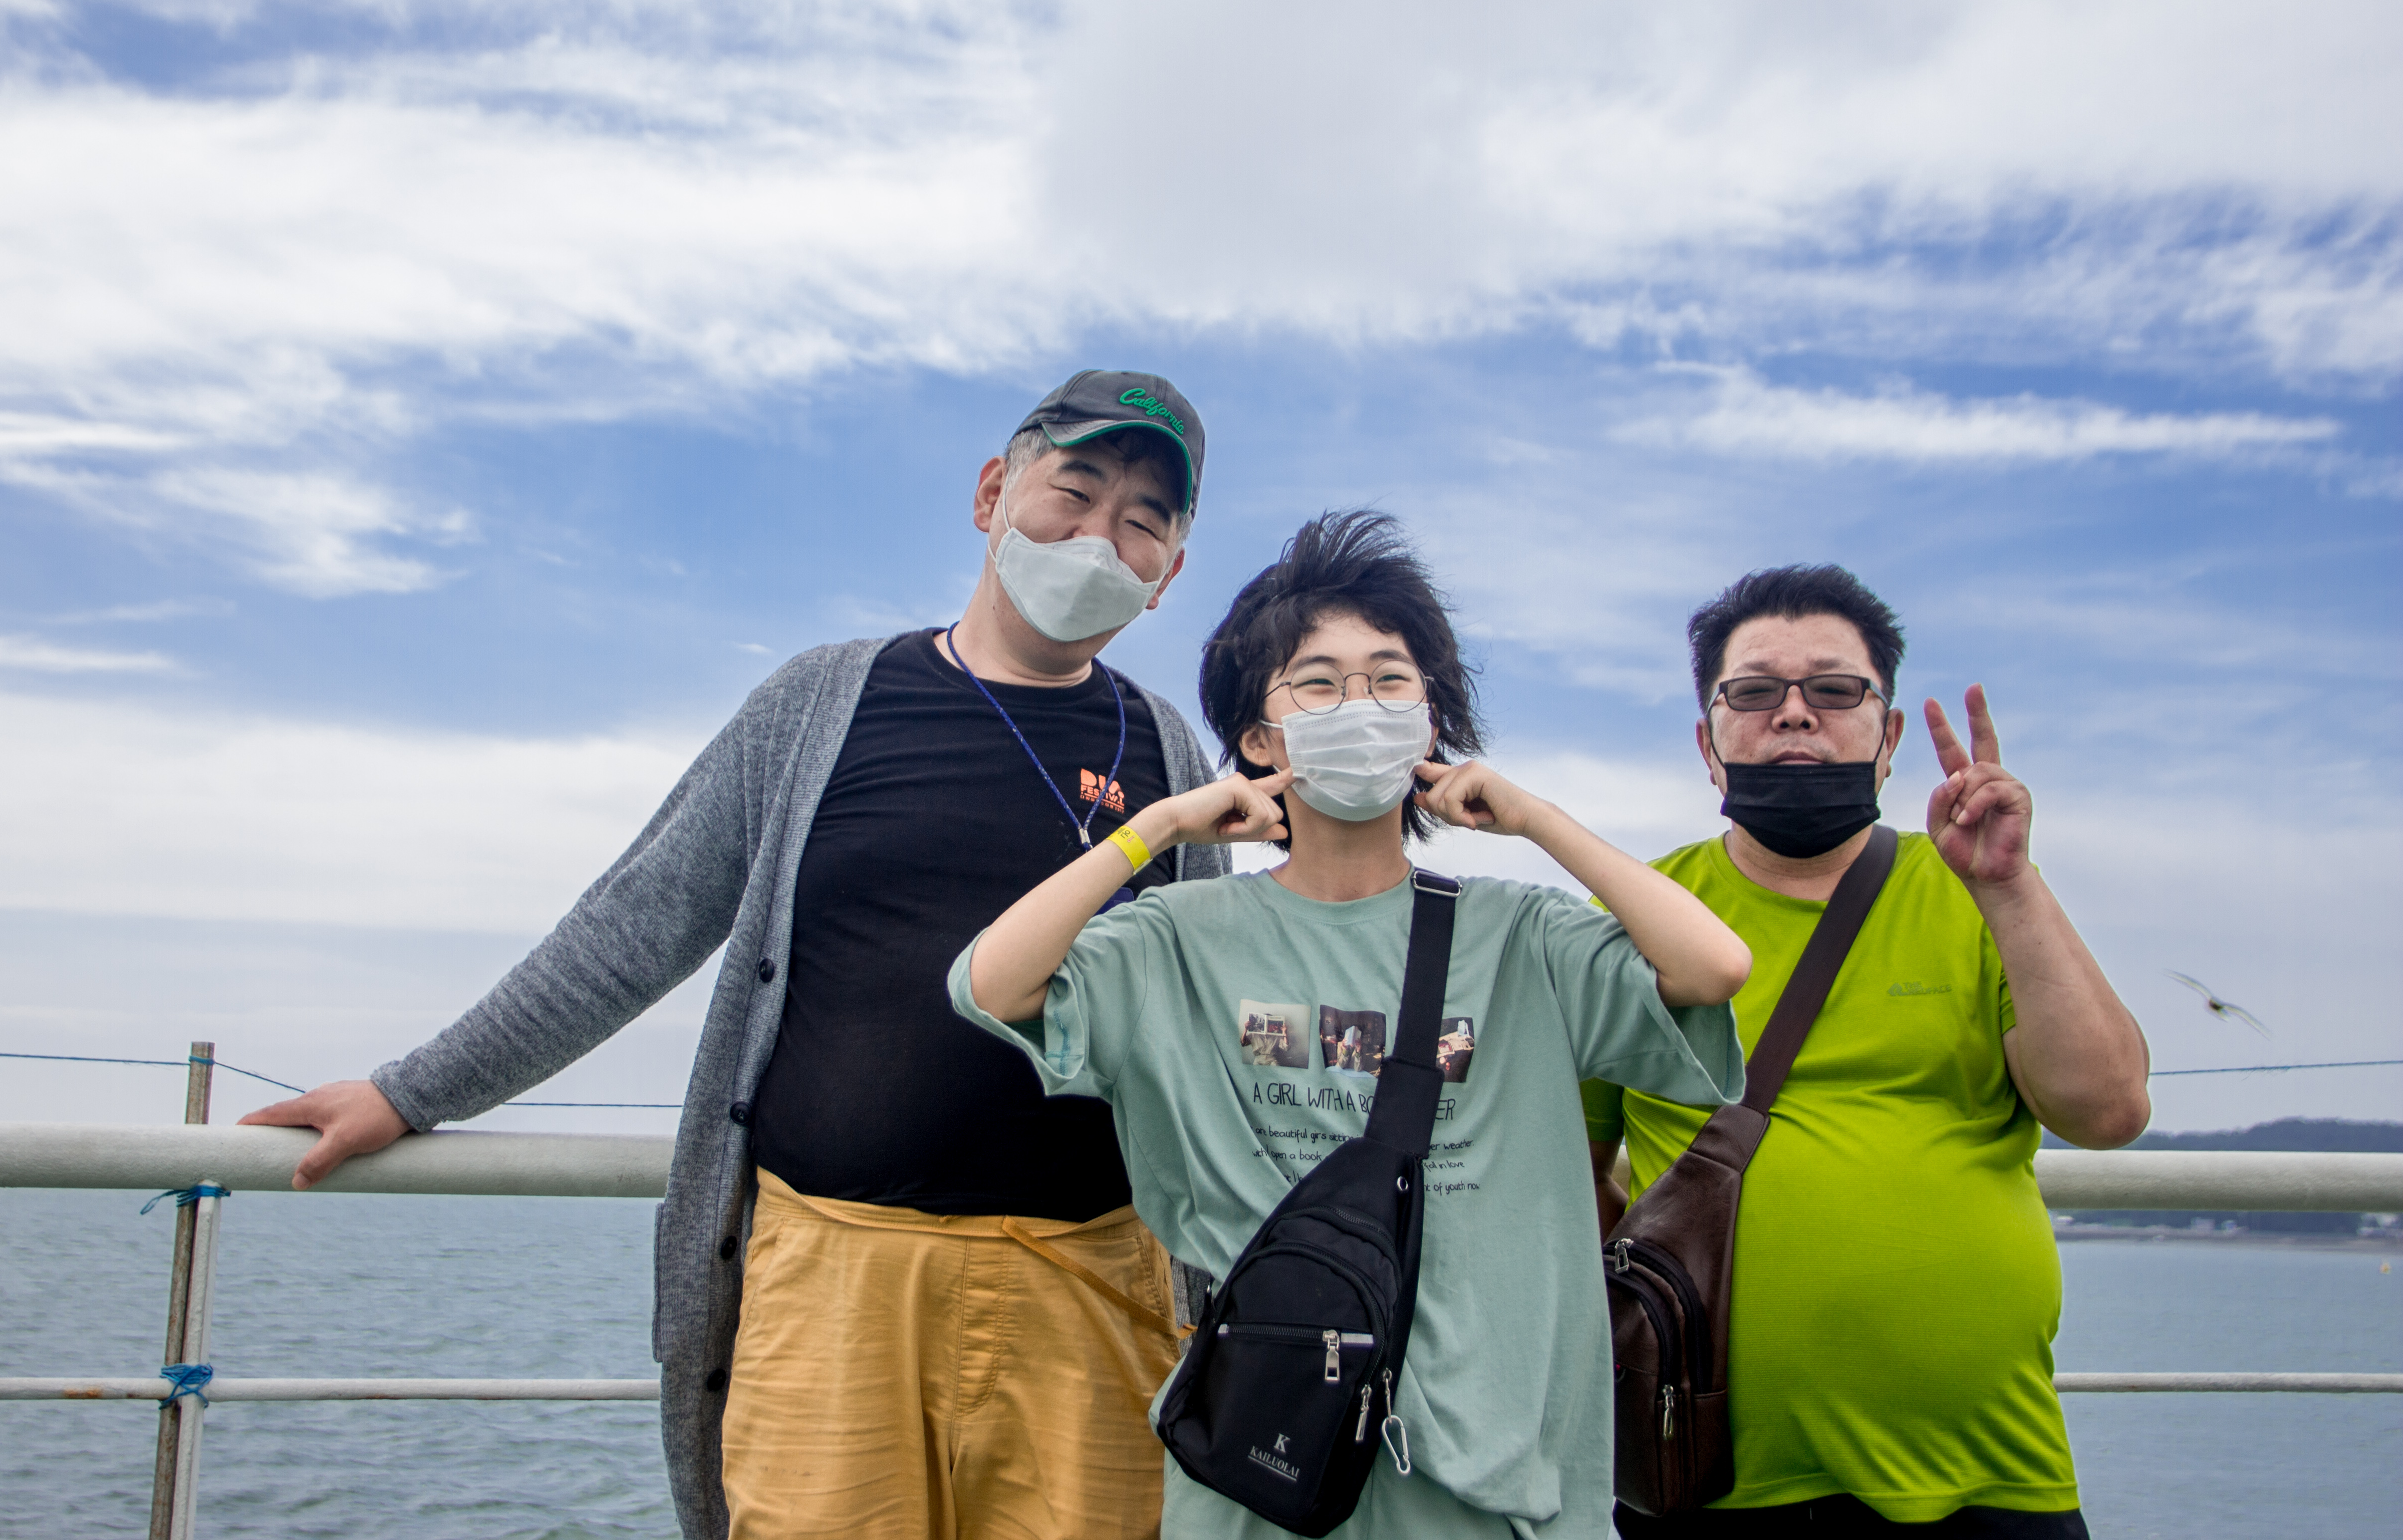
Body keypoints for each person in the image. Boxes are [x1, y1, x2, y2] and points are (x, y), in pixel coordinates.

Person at [240, 372, 1233, 1540]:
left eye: (1142, 521)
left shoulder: (1171, 754)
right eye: (1075, 489)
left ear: (1169, 571)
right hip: (831, 1282)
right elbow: (630, 930)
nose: (1099, 538)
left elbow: (1207, 1029)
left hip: (1097, 1287)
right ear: (991, 495)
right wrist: (412, 1092)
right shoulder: (819, 705)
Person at [954, 511, 1753, 1539]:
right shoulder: (1181, 940)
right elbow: (993, 983)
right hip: (1267, 1467)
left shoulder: (1522, 937)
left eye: (1390, 680)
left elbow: (1713, 967)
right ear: (1258, 738)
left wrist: (1536, 821)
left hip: (1503, 1482)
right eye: (1318, 683)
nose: (1359, 705)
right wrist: (1157, 826)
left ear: (1430, 721)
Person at [1585, 565, 2152, 1537]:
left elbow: (2106, 1111)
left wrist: (2010, 887)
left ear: (1889, 738)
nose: (1794, 713)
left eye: (1834, 689)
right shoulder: (1637, 919)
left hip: (1992, 1477)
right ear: (1708, 744)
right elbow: (1570, 1178)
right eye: (1753, 693)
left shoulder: (1980, 893)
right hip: (1706, 1476)